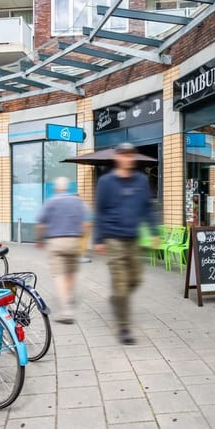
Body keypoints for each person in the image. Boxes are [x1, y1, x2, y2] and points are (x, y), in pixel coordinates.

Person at [94, 143, 160, 345]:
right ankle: (124, 327)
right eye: (124, 155)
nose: (127, 158)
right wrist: (99, 238)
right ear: (118, 157)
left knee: (136, 279)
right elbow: (100, 210)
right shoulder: (106, 182)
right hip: (114, 240)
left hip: (134, 239)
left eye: (130, 155)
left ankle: (117, 298)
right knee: (121, 284)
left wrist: (154, 232)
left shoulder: (140, 180)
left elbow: (147, 208)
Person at [36, 177, 89, 324]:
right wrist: (81, 238)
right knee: (71, 273)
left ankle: (66, 311)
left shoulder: (51, 202)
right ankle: (70, 297)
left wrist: (40, 240)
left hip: (56, 243)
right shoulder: (77, 201)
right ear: (67, 188)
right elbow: (86, 223)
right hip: (74, 241)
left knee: (59, 276)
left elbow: (41, 224)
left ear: (56, 188)